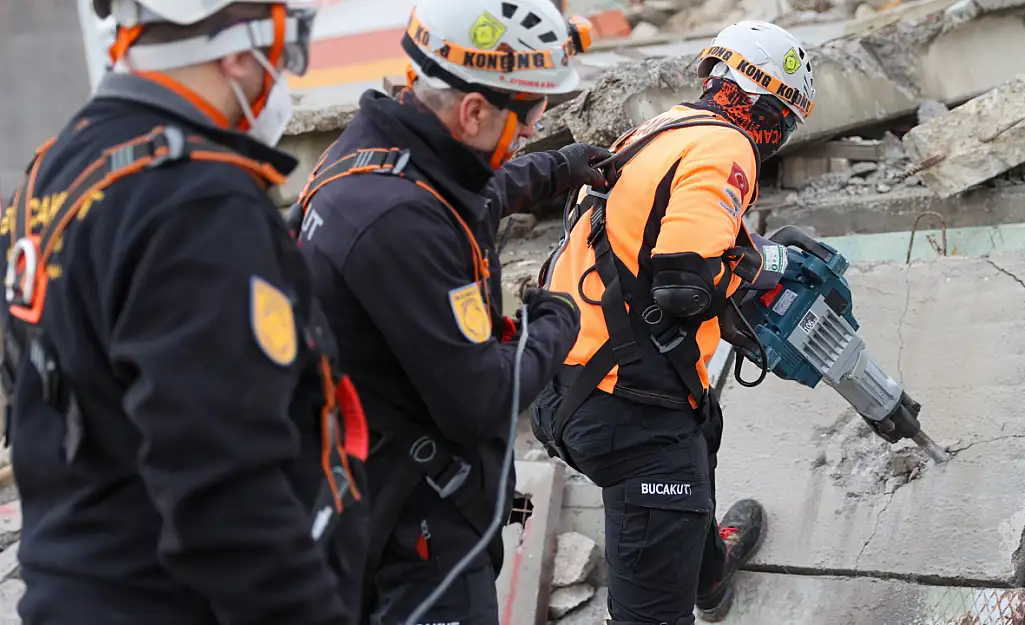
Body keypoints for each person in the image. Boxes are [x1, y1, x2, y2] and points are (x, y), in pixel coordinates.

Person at [0, 1, 371, 624]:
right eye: (283, 46)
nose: (279, 73)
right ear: (234, 48)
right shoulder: (196, 202)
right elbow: (228, 499)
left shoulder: (56, 170)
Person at [285, 0, 611, 622]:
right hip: (417, 535)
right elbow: (481, 399)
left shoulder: (371, 158)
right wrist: (556, 320)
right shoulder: (396, 222)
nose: (526, 131)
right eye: (526, 119)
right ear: (472, 110)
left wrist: (554, 170)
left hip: (378, 500)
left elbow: (466, 193)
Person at [531, 20, 818, 625]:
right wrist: (767, 267)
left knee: (699, 429)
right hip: (627, 413)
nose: (778, 136)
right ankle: (678, 581)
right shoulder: (728, 145)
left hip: (565, 377)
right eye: (784, 119)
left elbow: (655, 233)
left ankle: (708, 575)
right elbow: (685, 286)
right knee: (650, 612)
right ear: (770, 101)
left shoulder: (663, 129)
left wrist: (748, 253)